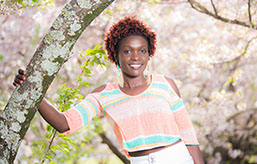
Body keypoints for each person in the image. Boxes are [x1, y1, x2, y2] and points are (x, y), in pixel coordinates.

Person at [14, 16, 204, 164]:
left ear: (149, 54)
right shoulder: (103, 95)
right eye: (128, 51)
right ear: (116, 55)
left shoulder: (165, 84)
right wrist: (33, 90)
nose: (136, 57)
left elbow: (189, 138)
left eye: (142, 51)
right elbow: (65, 123)